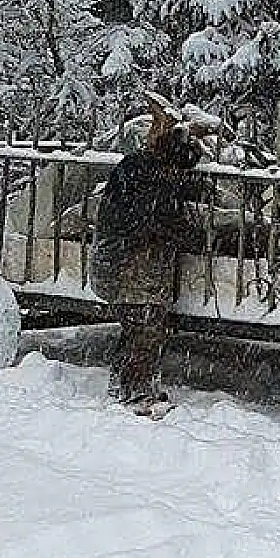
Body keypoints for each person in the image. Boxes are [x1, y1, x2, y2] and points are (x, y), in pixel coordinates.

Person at [90, 93, 204, 416]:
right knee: (145, 326)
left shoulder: (145, 168)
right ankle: (137, 393)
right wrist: (185, 232)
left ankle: (124, 384)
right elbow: (152, 220)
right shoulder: (146, 174)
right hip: (130, 262)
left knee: (139, 327)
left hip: (129, 258)